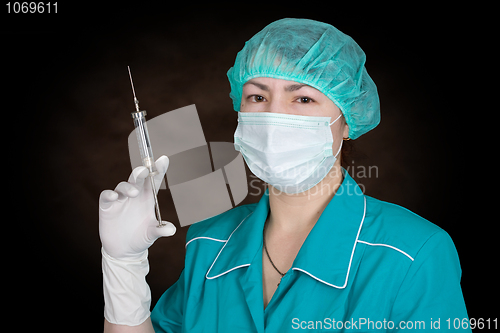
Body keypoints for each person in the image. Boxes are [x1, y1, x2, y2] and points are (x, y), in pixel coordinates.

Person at [99, 18, 470, 332]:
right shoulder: (207, 242)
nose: (274, 119)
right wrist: (123, 267)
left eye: (304, 99)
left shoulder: (413, 253)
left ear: (346, 122)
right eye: (257, 97)